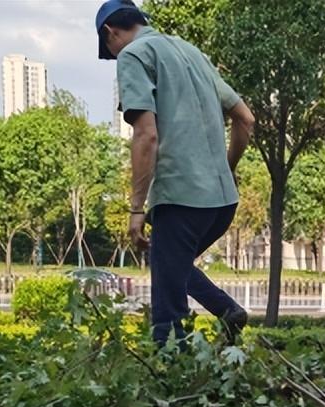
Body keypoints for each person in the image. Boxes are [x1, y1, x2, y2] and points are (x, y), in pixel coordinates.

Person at [96, 0, 255, 345]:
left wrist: (136, 208)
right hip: (222, 203)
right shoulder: (191, 52)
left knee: (167, 320)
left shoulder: (133, 55)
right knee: (170, 266)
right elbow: (245, 119)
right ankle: (228, 311)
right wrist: (225, 170)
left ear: (110, 33)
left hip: (180, 199)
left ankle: (172, 381)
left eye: (108, 50)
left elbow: (146, 135)